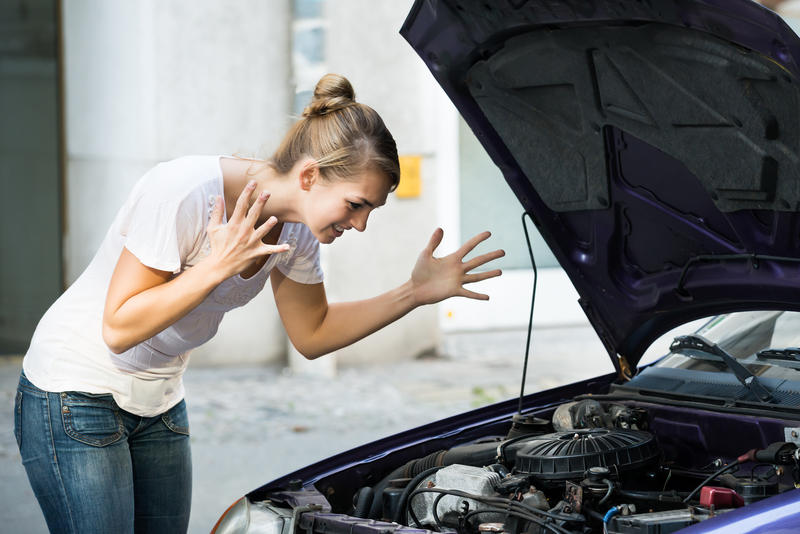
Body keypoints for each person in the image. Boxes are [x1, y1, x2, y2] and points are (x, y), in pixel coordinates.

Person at [13, 73, 504, 534]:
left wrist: (413, 294)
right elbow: (118, 327)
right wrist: (216, 265)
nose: (360, 225)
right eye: (355, 204)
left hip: (158, 399)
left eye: (370, 211)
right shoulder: (184, 193)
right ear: (310, 176)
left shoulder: (299, 232)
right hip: (74, 391)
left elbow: (313, 334)